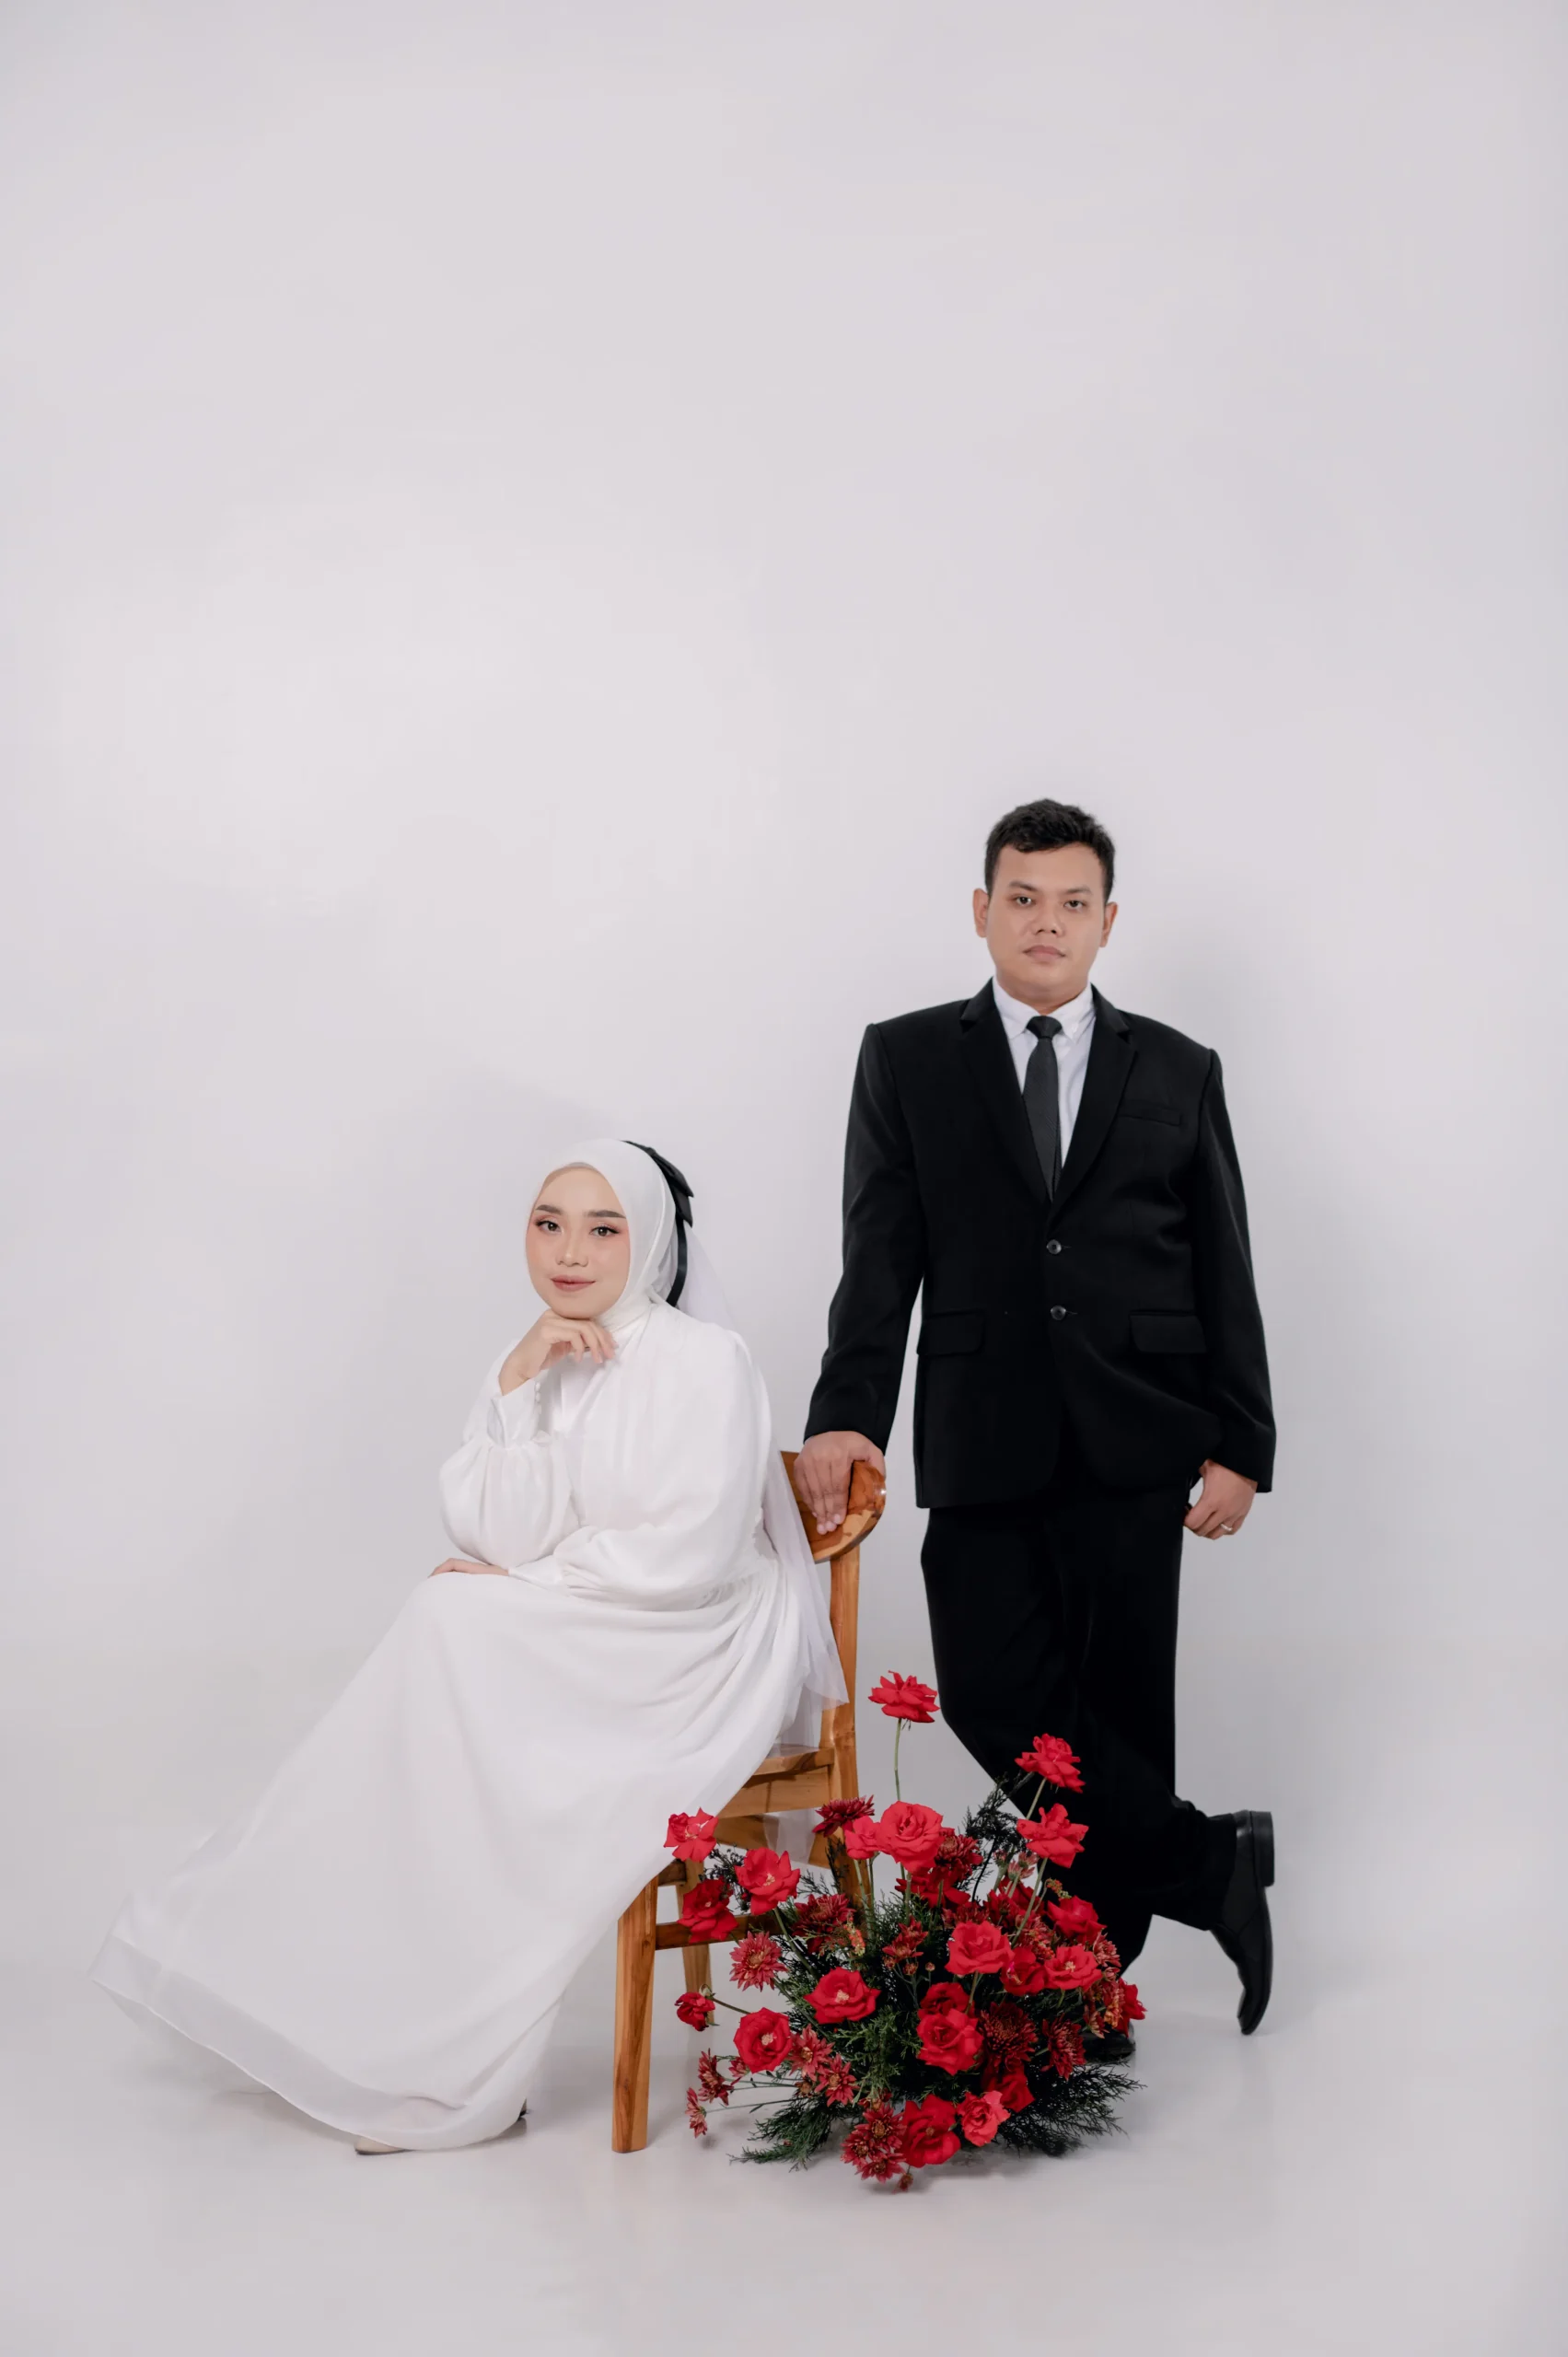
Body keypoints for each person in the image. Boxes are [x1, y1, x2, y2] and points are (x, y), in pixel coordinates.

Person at [93, 1140, 840, 2152]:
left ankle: (449, 2060)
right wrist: (519, 1383)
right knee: (447, 1657)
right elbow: (496, 1535)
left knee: (450, 1623)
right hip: (593, 1620)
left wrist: (529, 1583)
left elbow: (691, 1552)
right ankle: (374, 2020)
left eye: (603, 1228)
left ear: (651, 1241)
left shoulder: (705, 1359)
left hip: (697, 1636)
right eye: (548, 1223)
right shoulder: (547, 1351)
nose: (569, 1252)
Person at [793, 798, 1276, 2034]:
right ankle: (1208, 1863)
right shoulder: (906, 1057)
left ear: (1106, 920)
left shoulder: (1176, 1068)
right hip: (980, 1429)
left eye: (1071, 903)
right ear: (981, 910)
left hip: (1140, 1432)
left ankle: (1085, 1991)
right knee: (989, 1693)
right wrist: (847, 1414)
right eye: (1021, 898)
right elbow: (876, 1255)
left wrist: (1240, 1441)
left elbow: (1221, 1262)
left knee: (1116, 1714)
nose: (1045, 923)